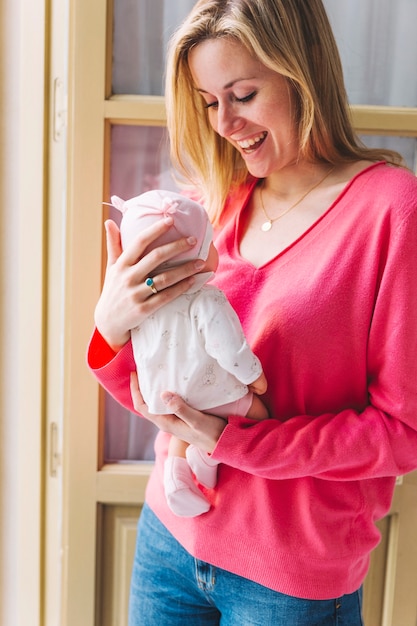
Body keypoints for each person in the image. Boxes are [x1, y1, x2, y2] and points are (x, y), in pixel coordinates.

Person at [87, 0, 417, 624]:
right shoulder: (208, 203)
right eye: (209, 102)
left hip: (291, 581)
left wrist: (241, 442)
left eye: (241, 94)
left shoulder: (390, 211)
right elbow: (161, 392)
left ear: (302, 74)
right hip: (169, 542)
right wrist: (110, 325)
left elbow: (402, 433)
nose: (225, 124)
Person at [108, 189, 268, 517]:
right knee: (257, 416)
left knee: (182, 422)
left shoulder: (142, 308)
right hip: (213, 393)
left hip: (162, 398)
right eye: (210, 244)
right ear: (195, 258)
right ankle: (210, 457)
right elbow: (229, 350)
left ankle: (178, 475)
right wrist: (255, 377)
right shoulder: (207, 299)